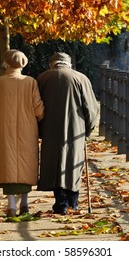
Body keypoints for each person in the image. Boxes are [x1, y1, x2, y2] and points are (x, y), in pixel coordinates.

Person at [37, 52, 99, 215]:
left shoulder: (42, 78)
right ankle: (73, 202)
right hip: (75, 128)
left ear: (52, 63)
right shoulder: (81, 78)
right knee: (73, 163)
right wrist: (88, 129)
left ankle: (60, 203)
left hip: (49, 128)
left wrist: (38, 128)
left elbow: (36, 106)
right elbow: (91, 109)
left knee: (55, 164)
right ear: (68, 63)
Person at [0, 49, 44, 217]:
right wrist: (37, 121)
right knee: (27, 164)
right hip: (28, 130)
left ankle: (11, 206)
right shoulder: (30, 82)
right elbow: (38, 109)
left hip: (4, 130)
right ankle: (24, 205)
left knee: (8, 165)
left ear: (6, 63)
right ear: (23, 64)